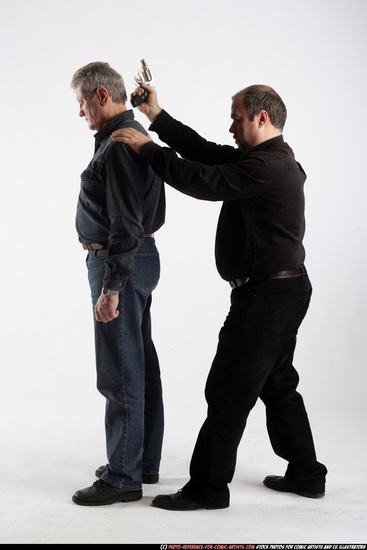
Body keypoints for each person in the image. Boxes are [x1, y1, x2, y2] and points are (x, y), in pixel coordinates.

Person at [111, 82, 328, 511]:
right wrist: (157, 116)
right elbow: (205, 152)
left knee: (228, 390)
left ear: (261, 118)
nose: (231, 126)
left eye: (237, 117)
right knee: (277, 384)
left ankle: (207, 489)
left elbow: (202, 180)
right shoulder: (268, 159)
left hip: (267, 296)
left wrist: (148, 150)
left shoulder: (264, 167)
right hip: (283, 290)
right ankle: (307, 474)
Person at [70, 62, 165, 506]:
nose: (81, 112)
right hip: (135, 258)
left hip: (119, 261)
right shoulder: (131, 138)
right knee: (138, 360)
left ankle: (124, 476)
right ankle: (140, 461)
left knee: (120, 368)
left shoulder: (121, 144)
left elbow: (125, 221)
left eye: (82, 103)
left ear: (102, 95)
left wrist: (111, 286)